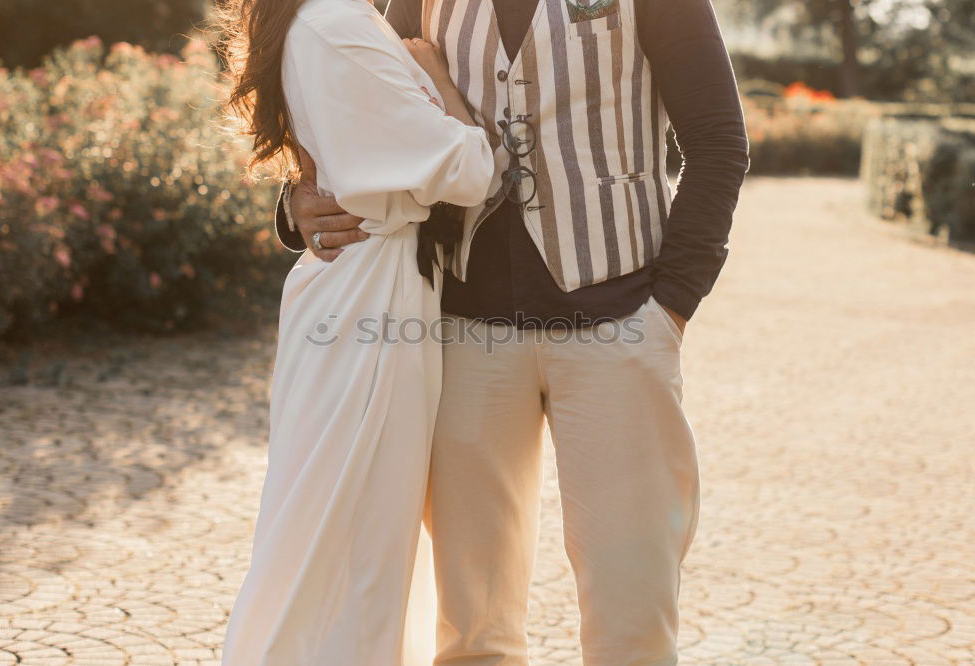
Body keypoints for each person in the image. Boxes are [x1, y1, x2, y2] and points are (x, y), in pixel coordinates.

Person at [276, 0, 750, 662]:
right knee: (473, 626)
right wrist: (296, 201)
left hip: (618, 324)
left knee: (632, 611)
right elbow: (362, 108)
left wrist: (670, 307)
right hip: (465, 334)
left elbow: (718, 139)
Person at [216, 0, 495, 662]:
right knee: (345, 538)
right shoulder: (336, 25)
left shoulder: (345, 19)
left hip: (371, 288)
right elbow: (469, 169)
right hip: (368, 299)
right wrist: (442, 83)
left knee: (354, 536)